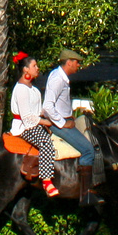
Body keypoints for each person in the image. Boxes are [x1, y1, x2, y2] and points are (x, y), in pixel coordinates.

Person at [43, 49, 98, 205]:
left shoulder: (60, 76)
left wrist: (69, 115)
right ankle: (85, 194)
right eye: (77, 62)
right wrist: (63, 122)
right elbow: (47, 106)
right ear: (69, 62)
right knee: (88, 149)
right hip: (59, 125)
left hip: (66, 120)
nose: (78, 65)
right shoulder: (58, 79)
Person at [9, 52, 61, 197]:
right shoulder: (21, 89)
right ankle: (46, 181)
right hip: (24, 127)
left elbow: (39, 111)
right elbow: (27, 117)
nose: (37, 68)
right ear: (25, 69)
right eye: (34, 66)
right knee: (45, 143)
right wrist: (45, 122)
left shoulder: (34, 90)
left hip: (35, 123)